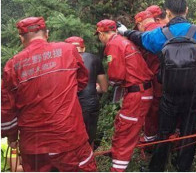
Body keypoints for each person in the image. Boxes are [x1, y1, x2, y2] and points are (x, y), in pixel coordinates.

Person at [119, 0, 196, 172]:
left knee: (164, 132)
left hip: (170, 93)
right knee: (189, 130)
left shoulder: (160, 35)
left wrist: (125, 32)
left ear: (167, 12)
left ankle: (157, 168)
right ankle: (183, 166)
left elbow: (140, 38)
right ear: (187, 10)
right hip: (195, 93)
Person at [1, 17, 97, 172]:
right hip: (68, 137)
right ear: (47, 33)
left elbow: (6, 109)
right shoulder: (68, 50)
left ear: (21, 38)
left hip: (33, 146)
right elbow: (82, 81)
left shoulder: (12, 65)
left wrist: (11, 137)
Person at [95, 19, 153, 172]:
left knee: (126, 131)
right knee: (122, 124)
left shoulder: (113, 45)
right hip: (141, 91)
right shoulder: (123, 41)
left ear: (101, 34)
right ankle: (117, 156)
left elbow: (116, 76)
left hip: (137, 94)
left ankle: (117, 168)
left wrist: (106, 85)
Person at [65, 36, 108, 147]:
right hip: (89, 105)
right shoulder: (94, 59)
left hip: (69, 107)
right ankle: (90, 161)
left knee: (71, 139)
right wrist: (94, 88)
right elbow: (104, 88)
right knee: (89, 138)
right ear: (83, 48)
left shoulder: (62, 61)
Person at [134, 11, 163, 143]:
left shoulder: (144, 36)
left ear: (140, 24)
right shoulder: (165, 28)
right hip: (174, 74)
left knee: (154, 107)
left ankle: (150, 138)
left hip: (156, 77)